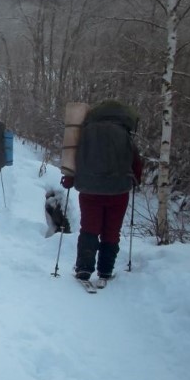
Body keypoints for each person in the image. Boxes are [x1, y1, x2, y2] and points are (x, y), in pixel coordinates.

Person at [60, 100, 143, 281]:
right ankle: (105, 270)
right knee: (111, 231)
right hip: (118, 191)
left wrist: (69, 179)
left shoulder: (85, 132)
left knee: (89, 228)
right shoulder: (125, 134)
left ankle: (84, 268)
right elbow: (136, 162)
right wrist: (136, 180)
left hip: (90, 191)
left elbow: (74, 156)